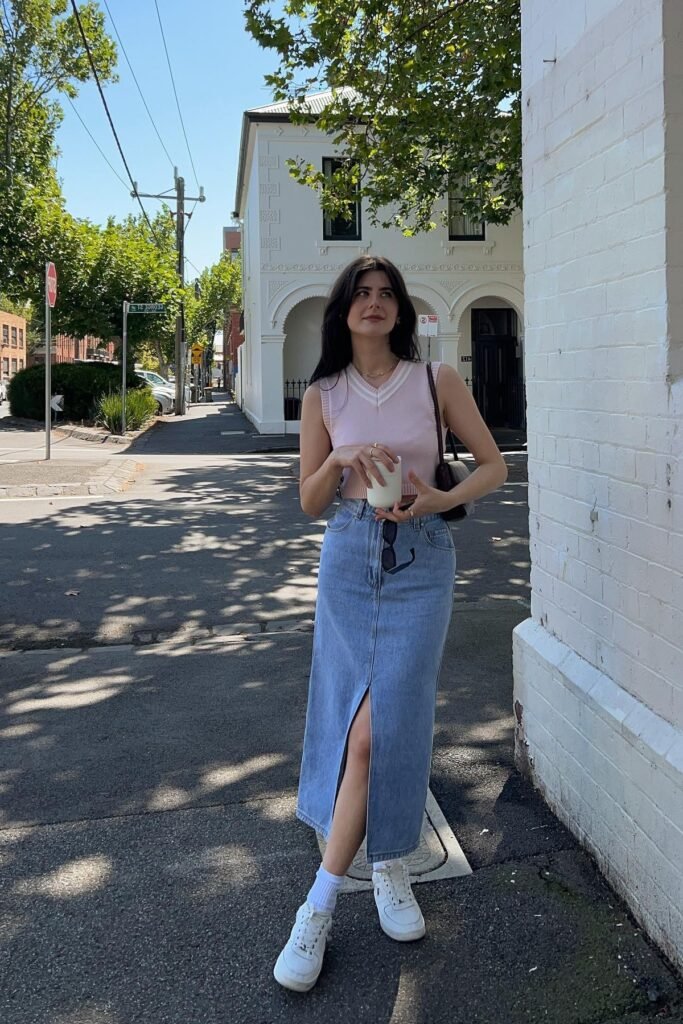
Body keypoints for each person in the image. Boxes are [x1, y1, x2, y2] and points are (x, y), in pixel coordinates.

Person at [274, 255, 508, 992]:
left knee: (384, 729)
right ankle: (381, 866)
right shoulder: (323, 393)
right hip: (347, 559)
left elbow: (491, 466)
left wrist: (438, 502)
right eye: (361, 294)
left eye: (386, 295)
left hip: (421, 560)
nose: (374, 304)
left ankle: (329, 896)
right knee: (354, 728)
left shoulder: (434, 380)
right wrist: (340, 453)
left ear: (401, 311)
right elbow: (310, 501)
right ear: (341, 310)